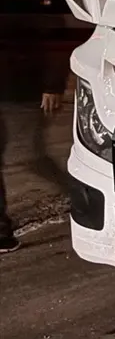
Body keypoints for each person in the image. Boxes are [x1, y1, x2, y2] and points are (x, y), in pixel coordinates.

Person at [0, 65, 68, 254]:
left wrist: (53, 86)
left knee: (30, 157)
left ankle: (86, 197)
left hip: (22, 90)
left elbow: (50, 41)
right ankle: (1, 234)